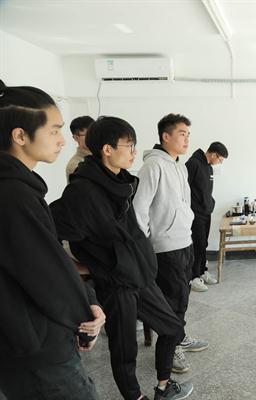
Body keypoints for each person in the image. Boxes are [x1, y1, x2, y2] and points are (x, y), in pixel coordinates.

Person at [50, 116, 193, 400]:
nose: (134, 152)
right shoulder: (82, 190)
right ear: (107, 149)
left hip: (140, 275)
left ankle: (163, 386)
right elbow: (53, 233)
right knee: (125, 350)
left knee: (173, 327)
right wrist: (85, 268)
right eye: (129, 146)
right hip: (116, 284)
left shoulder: (121, 181)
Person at [0, 82, 105, 400]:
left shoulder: (19, 188)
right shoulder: (14, 195)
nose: (62, 140)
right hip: (36, 349)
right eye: (54, 130)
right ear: (20, 136)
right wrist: (86, 316)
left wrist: (86, 299)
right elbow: (45, 273)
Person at [133, 113, 208, 374]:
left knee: (182, 297)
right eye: (181, 134)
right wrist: (145, 246)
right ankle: (171, 345)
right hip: (166, 247)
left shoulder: (179, 165)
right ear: (165, 136)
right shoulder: (153, 166)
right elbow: (139, 209)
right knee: (172, 301)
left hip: (184, 241)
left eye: (188, 134)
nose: (186, 139)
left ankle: (179, 336)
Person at [186, 142, 229, 292]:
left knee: (203, 243)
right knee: (197, 244)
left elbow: (206, 191)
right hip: (195, 213)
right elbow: (184, 189)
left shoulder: (209, 167)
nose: (220, 163)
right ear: (214, 154)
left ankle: (202, 271)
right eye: (220, 160)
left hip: (206, 212)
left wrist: (210, 203)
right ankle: (193, 277)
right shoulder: (193, 164)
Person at [65, 115, 94, 181]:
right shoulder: (74, 166)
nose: (94, 137)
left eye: (95, 132)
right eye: (88, 134)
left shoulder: (104, 155)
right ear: (76, 138)